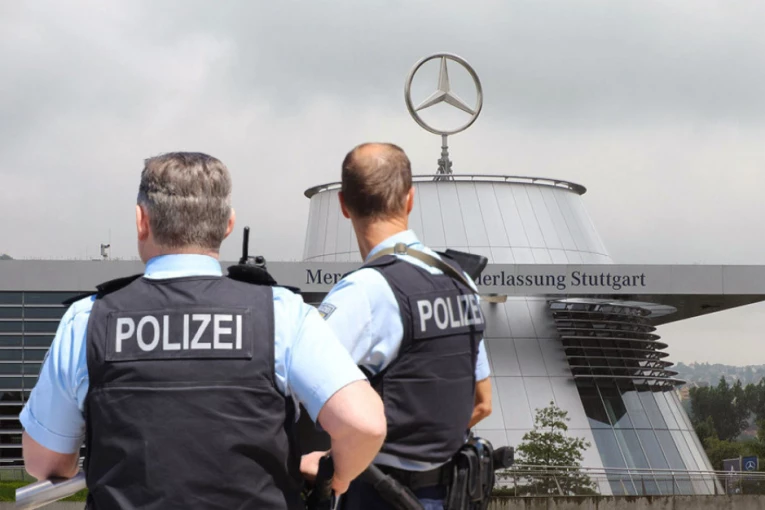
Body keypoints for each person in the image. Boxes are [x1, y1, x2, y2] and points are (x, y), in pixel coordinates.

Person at [20, 152, 386, 509]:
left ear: (141, 220)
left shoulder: (88, 321)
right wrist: (336, 477)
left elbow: (44, 462)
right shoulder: (281, 314)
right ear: (228, 224)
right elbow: (364, 425)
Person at [302, 143, 493, 510]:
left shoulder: (364, 291)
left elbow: (294, 388)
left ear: (343, 204)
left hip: (380, 494)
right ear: (410, 199)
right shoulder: (460, 280)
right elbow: (482, 403)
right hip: (456, 494)